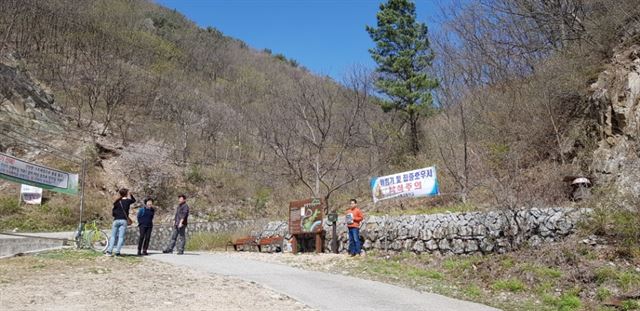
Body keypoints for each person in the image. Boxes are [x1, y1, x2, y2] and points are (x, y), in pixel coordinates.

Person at [106, 188, 135, 256]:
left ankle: (109, 251)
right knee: (121, 237)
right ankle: (117, 252)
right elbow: (134, 200)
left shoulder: (117, 202)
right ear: (126, 194)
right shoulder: (128, 201)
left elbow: (113, 213)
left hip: (116, 220)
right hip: (123, 220)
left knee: (113, 236)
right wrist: (131, 194)